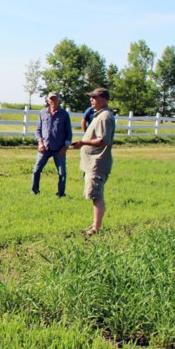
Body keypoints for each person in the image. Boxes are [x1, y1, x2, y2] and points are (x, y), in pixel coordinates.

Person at [71, 87, 116, 237]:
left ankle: (95, 229)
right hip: (92, 163)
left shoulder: (104, 117)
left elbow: (104, 140)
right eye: (91, 97)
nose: (91, 100)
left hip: (98, 162)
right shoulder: (99, 115)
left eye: (94, 97)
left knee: (96, 196)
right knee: (95, 195)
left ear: (104, 100)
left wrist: (83, 143)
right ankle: (94, 225)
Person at [31, 91, 72, 197]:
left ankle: (61, 194)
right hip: (45, 147)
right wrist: (40, 143)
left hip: (59, 148)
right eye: (51, 99)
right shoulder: (42, 113)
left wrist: (65, 147)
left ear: (59, 100)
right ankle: (34, 190)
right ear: (48, 100)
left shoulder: (64, 115)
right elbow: (38, 130)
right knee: (36, 169)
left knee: (62, 173)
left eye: (55, 99)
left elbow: (69, 133)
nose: (53, 101)